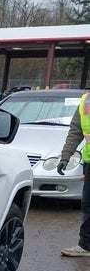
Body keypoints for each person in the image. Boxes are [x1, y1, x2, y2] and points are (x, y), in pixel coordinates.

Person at [57, 91, 90, 257]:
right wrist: (65, 156)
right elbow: (76, 131)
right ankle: (86, 246)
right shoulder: (86, 100)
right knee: (88, 205)